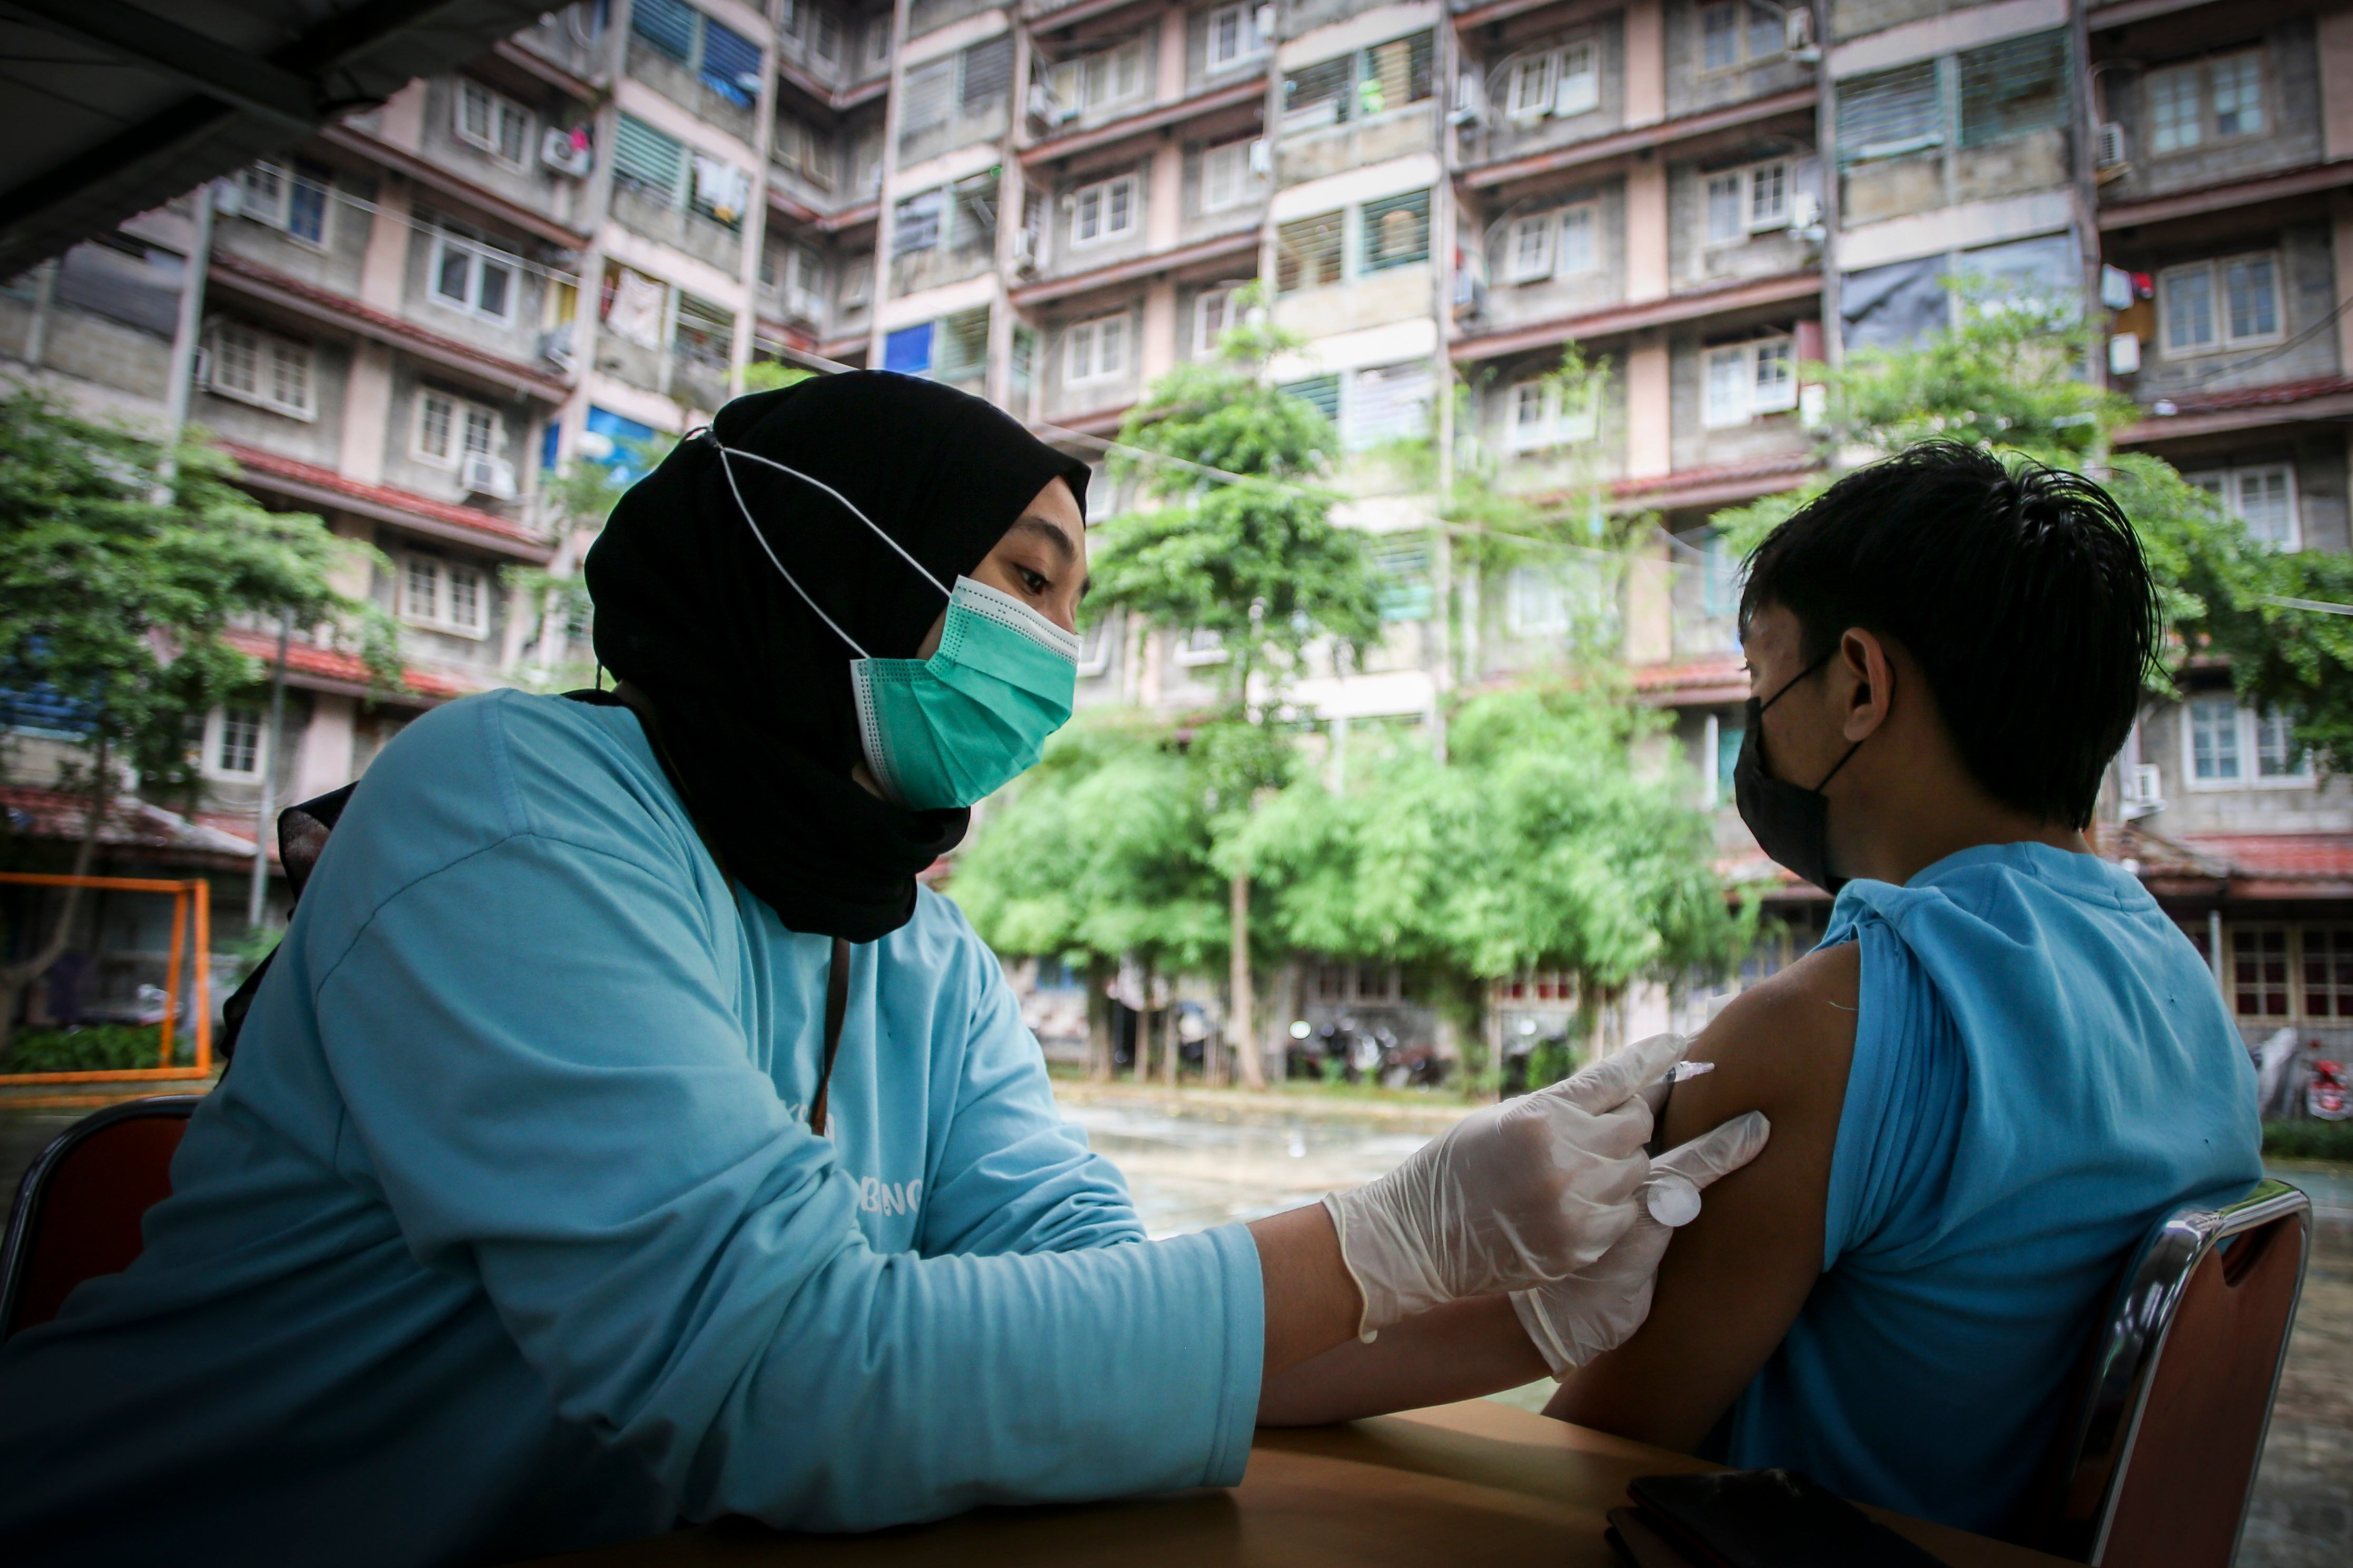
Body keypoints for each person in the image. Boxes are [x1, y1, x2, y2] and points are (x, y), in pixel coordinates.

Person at [0, 374, 1762, 1565]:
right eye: (1021, 575)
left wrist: (1492, 1317)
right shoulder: (511, 814)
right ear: (836, 555)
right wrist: (1386, 1236)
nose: (1056, 652)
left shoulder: (915, 943)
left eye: (1072, 603)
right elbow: (774, 1375)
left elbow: (1100, 1322)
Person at [1545, 444, 2264, 1533]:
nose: (1755, 727)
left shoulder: (1819, 1033)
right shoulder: (2183, 988)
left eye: (1759, 682)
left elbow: (1588, 1455)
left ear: (1860, 686)